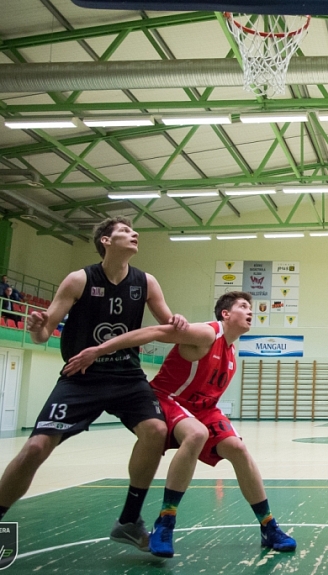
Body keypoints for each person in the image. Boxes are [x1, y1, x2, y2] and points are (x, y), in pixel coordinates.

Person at [0, 216, 188, 553]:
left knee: (156, 431)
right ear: (105, 240)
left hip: (127, 376)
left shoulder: (146, 282)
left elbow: (167, 327)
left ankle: (129, 521)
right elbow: (43, 333)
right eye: (125, 231)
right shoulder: (78, 280)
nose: (134, 235)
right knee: (34, 448)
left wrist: (177, 321)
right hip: (81, 378)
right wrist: (35, 326)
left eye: (134, 231)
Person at [64, 291, 296, 557]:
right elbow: (153, 331)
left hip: (202, 409)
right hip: (167, 399)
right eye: (243, 306)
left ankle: (269, 526)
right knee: (195, 434)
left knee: (238, 449)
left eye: (250, 307)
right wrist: (100, 350)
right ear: (225, 314)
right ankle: (166, 521)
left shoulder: (232, 351)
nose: (250, 311)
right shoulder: (207, 334)